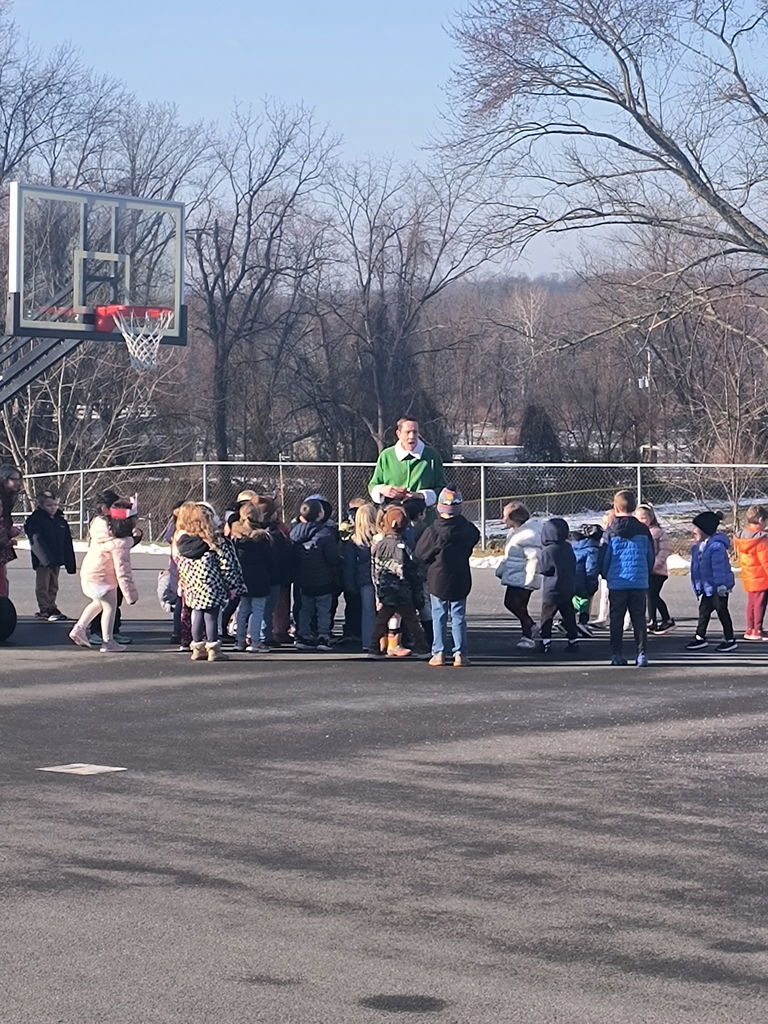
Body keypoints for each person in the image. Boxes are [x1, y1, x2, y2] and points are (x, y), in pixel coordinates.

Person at [415, 488, 480, 667]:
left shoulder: (433, 531)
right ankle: (460, 653)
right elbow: (475, 536)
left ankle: (439, 652)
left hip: (438, 578)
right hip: (460, 576)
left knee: (439, 615)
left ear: (439, 508)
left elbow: (420, 554)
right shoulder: (467, 528)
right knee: (458, 616)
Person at [174, 501, 246, 662]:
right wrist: (233, 585)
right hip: (211, 585)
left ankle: (197, 647)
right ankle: (213, 648)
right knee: (211, 616)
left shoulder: (184, 543)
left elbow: (180, 566)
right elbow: (227, 565)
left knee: (197, 615)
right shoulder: (215, 542)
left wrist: (183, 584)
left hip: (192, 586)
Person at [69, 498, 139, 653]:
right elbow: (123, 572)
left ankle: (79, 629)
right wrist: (131, 595)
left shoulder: (102, 531)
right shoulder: (120, 543)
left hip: (90, 574)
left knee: (98, 603)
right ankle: (108, 642)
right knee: (109, 608)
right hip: (104, 578)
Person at [600, 490, 655, 667]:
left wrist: (606, 573)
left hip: (617, 581)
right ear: (634, 506)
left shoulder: (610, 531)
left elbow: (605, 557)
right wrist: (646, 571)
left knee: (616, 619)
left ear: (615, 507)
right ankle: (642, 654)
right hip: (639, 580)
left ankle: (616, 654)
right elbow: (650, 556)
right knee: (639, 618)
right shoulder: (643, 530)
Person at [369, 505, 428, 658]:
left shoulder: (379, 545)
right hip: (403, 592)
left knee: (381, 621)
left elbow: (375, 570)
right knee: (412, 621)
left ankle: (374, 648)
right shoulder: (405, 547)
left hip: (386, 591)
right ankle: (422, 647)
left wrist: (378, 592)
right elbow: (412, 569)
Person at [88, 489, 143, 646]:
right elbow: (119, 543)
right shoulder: (101, 524)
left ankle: (112, 631)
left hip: (111, 570)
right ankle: (98, 632)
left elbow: (122, 543)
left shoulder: (112, 522)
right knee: (103, 604)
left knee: (113, 603)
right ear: (104, 508)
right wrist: (132, 536)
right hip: (103, 571)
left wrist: (134, 533)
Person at [290, 498, 340, 651]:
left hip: (304, 578)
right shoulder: (325, 534)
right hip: (323, 578)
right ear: (320, 514)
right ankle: (323, 636)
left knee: (305, 608)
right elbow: (332, 558)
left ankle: (303, 635)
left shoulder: (294, 533)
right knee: (323, 609)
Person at [368, 418, 446, 514]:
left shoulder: (432, 456)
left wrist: (422, 495)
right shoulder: (386, 456)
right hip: (392, 518)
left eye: (415, 432)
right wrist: (383, 490)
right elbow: (373, 485)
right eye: (407, 432)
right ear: (398, 434)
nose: (412, 436)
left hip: (424, 518)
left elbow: (442, 488)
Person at [685, 510, 737, 652]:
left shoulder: (716, 547)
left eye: (697, 528)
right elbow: (696, 568)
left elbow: (719, 568)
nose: (693, 531)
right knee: (704, 612)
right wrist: (698, 586)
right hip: (708, 588)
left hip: (718, 588)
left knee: (722, 611)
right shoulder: (698, 547)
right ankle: (700, 637)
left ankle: (729, 638)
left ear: (705, 530)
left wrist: (721, 585)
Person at [495, 502, 542, 649]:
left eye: (505, 516)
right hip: (515, 575)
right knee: (511, 603)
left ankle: (528, 635)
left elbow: (533, 557)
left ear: (514, 518)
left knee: (519, 604)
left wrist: (530, 578)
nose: (503, 520)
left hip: (524, 576)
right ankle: (531, 626)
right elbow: (510, 555)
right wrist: (502, 568)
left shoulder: (528, 535)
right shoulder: (515, 532)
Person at [24, 490, 76, 620]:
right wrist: (45, 559)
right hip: (43, 561)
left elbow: (67, 542)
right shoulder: (35, 520)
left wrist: (70, 562)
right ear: (41, 506)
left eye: (55, 505)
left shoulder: (60, 521)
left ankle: (52, 606)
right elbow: (36, 540)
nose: (53, 508)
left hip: (57, 558)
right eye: (49, 505)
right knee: (43, 584)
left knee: (54, 584)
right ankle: (44, 608)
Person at [230, 501, 273, 653]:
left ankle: (240, 640)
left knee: (243, 609)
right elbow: (270, 559)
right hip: (260, 578)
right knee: (258, 610)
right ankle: (255, 641)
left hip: (243, 578)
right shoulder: (262, 538)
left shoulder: (236, 538)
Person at [537, 517, 579, 654]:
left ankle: (546, 641)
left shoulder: (548, 550)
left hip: (551, 589)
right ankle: (573, 640)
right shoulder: (568, 547)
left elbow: (544, 569)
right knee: (569, 615)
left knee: (547, 616)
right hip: (567, 588)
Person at [342, 503, 378, 652]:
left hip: (364, 581)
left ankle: (368, 642)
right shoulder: (379, 538)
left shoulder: (355, 540)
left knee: (367, 612)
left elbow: (350, 565)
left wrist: (350, 583)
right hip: (381, 579)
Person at [635, 503, 674, 633]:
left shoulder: (657, 533)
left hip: (657, 571)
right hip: (646, 570)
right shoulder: (639, 533)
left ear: (651, 518)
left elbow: (664, 551)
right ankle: (657, 620)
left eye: (644, 518)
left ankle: (660, 620)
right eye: (639, 518)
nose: (641, 521)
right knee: (650, 595)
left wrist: (654, 564)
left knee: (652, 594)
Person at [732, 504, 768, 641]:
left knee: (752, 603)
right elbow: (766, 561)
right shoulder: (761, 538)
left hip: (749, 574)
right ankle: (757, 630)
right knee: (760, 604)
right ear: (760, 520)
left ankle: (750, 628)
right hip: (761, 576)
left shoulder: (743, 535)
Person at [571, 524, 602, 637]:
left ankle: (568, 620)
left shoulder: (575, 547)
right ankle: (582, 623)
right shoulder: (593, 550)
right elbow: (591, 568)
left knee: (576, 599)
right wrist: (592, 583)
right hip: (584, 580)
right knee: (585, 600)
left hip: (572, 578)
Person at [0, 464, 23, 598]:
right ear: (4, 479)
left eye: (19, 479)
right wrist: (8, 534)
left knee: (3, 579)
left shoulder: (8, 496)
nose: (18, 482)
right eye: (14, 479)